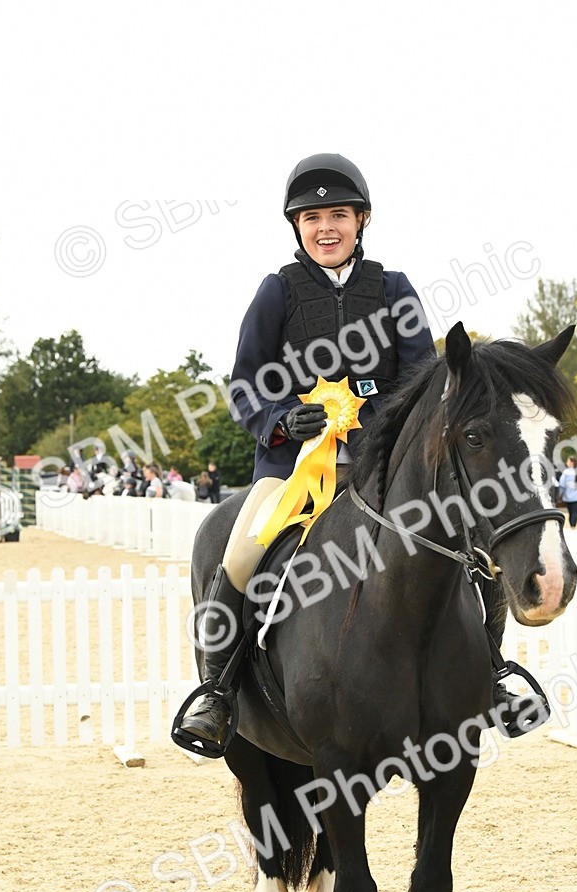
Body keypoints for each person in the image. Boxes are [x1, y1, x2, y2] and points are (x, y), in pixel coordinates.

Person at [177, 152, 438, 752]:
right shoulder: (277, 293)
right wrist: (278, 419)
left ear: (362, 220)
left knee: (467, 539)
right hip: (293, 472)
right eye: (313, 216)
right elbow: (244, 382)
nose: (327, 227)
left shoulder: (394, 290)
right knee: (238, 558)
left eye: (339, 215)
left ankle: (496, 675)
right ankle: (216, 693)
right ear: (296, 226)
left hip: (383, 472)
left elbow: (423, 379)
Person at [557, 455, 577, 528]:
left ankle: (572, 526)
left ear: (572, 462)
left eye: (568, 461)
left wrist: (559, 495)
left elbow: (562, 484)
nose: (566, 462)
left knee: (570, 512)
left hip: (568, 497)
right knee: (575, 512)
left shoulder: (566, 472)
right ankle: (573, 526)